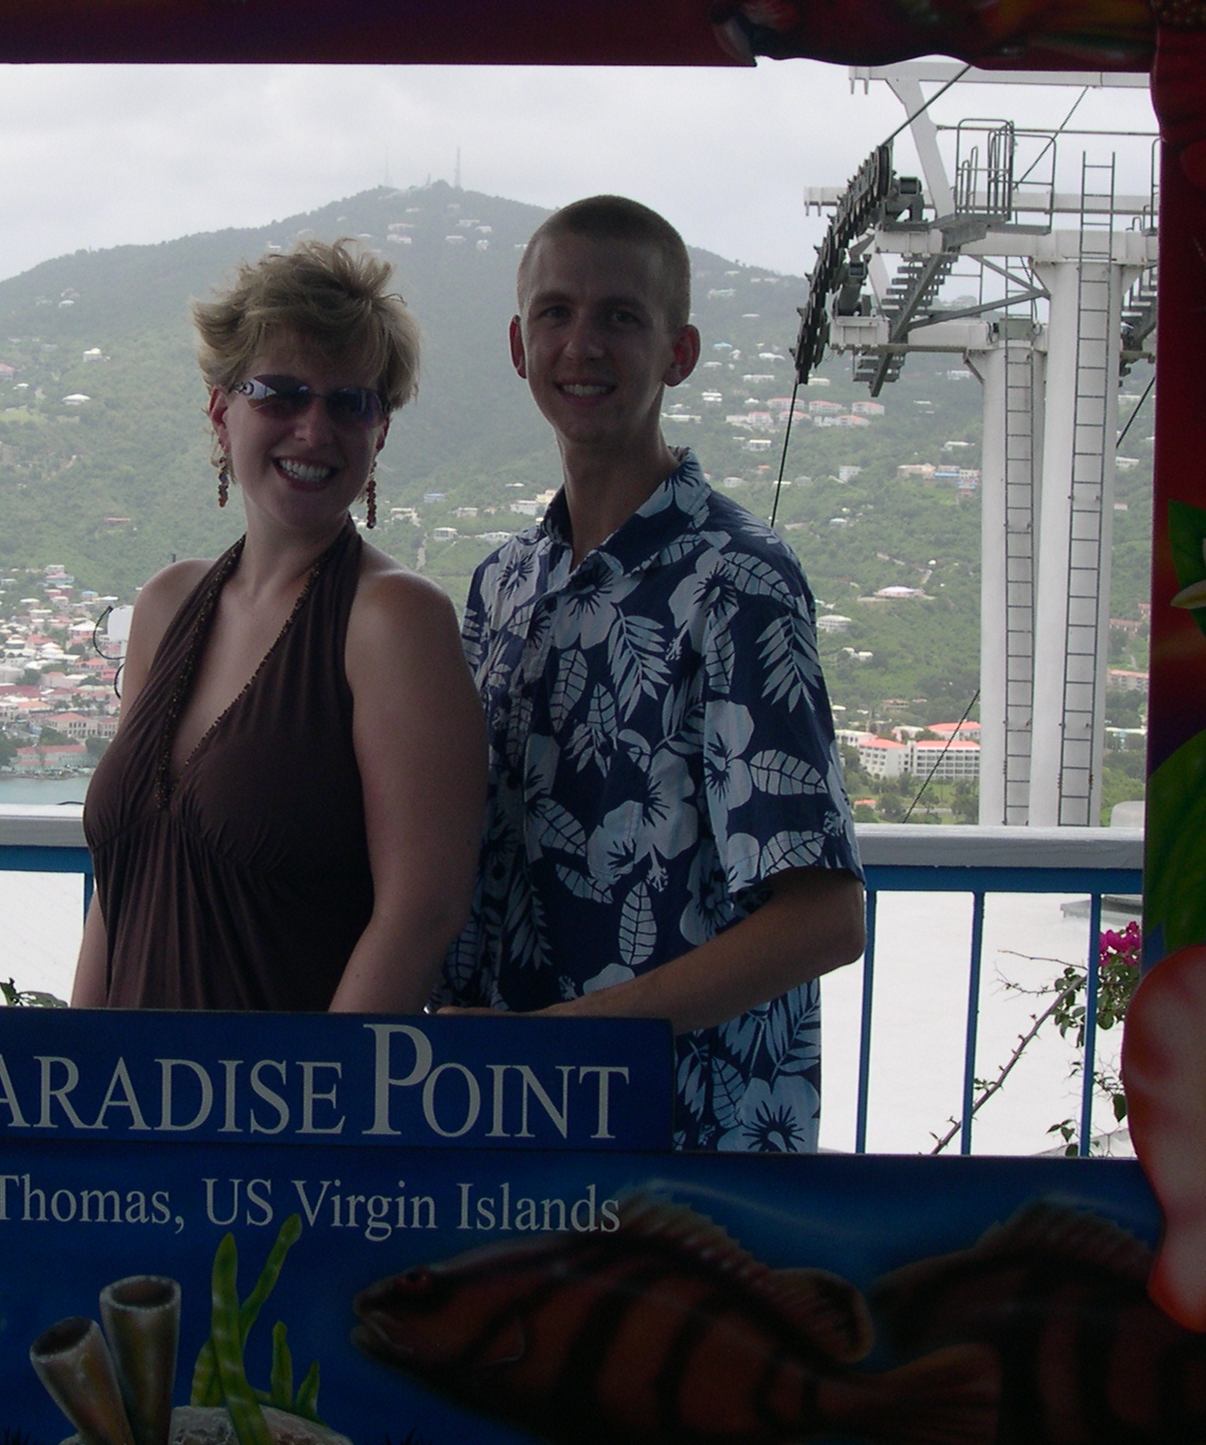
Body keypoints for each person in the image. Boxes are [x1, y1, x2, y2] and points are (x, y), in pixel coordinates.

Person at [440, 195, 866, 1152]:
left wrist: (555, 1048)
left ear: (680, 353)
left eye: (620, 317)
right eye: (556, 313)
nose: (581, 344)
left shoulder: (738, 578)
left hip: (686, 1147)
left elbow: (824, 919)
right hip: (508, 1136)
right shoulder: (503, 584)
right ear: (518, 345)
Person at [75, 239, 485, 1012]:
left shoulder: (394, 623)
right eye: (282, 394)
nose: (313, 428)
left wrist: (311, 1119)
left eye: (349, 402)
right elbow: (117, 894)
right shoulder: (166, 605)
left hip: (279, 1117)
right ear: (221, 411)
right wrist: (74, 1085)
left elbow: (420, 915)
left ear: (381, 432)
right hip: (126, 1113)